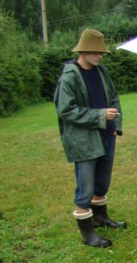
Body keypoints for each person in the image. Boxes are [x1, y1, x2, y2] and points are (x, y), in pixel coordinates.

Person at [54, 28, 126, 248]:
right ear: (83, 51)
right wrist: (100, 116)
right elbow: (65, 110)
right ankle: (87, 235)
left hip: (106, 135)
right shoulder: (70, 76)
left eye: (102, 52)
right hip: (84, 140)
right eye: (96, 52)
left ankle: (100, 218)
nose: (100, 56)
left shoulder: (102, 71)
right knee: (85, 188)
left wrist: (115, 125)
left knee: (102, 183)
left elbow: (113, 98)